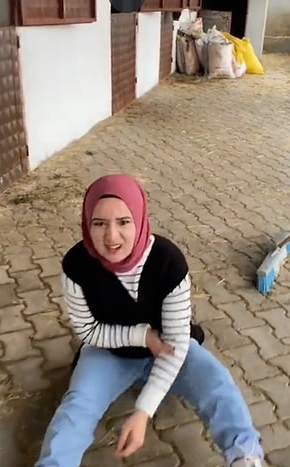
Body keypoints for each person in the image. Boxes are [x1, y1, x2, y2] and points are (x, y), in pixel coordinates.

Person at [35, 174, 265, 467]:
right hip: (109, 351)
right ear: (86, 223)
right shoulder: (76, 266)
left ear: (140, 219)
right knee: (76, 407)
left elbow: (177, 343)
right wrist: (142, 337)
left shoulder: (169, 263)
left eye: (123, 222)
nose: (111, 237)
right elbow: (88, 330)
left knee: (217, 383)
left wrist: (143, 411)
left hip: (169, 348)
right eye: (99, 223)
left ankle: (245, 456)